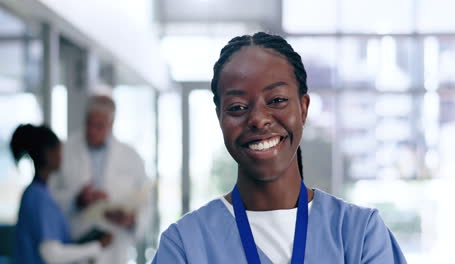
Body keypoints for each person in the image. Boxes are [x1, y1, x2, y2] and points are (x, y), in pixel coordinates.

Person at [152, 32, 407, 263]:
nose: (258, 119)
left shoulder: (360, 235)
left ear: (304, 108)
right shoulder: (185, 245)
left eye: (277, 100)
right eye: (238, 107)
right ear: (220, 118)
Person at [49, 95, 152, 264]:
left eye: (99, 126)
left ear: (111, 125)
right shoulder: (64, 151)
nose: (91, 130)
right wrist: (77, 200)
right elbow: (50, 197)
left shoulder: (131, 157)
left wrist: (132, 220)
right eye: (89, 123)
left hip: (115, 249)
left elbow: (146, 205)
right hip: (75, 246)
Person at [10, 124, 112, 264]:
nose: (61, 155)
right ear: (48, 152)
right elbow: (51, 255)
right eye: (59, 149)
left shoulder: (37, 193)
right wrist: (95, 247)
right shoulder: (38, 197)